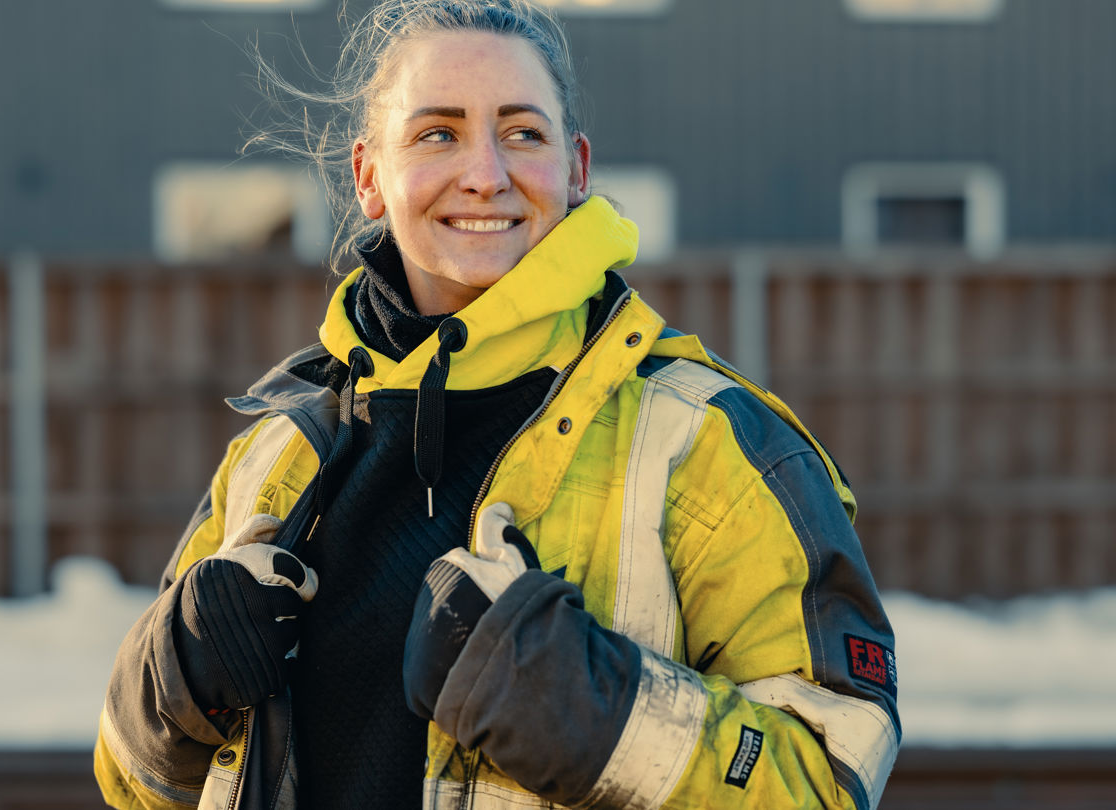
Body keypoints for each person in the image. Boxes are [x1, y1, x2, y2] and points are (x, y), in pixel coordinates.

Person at [95, 0, 900, 807]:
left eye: (522, 133)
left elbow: (830, 778)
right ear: (368, 176)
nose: (485, 173)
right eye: (437, 134)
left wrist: (582, 705)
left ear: (576, 169)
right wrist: (175, 677)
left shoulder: (710, 441)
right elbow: (130, 784)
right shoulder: (279, 450)